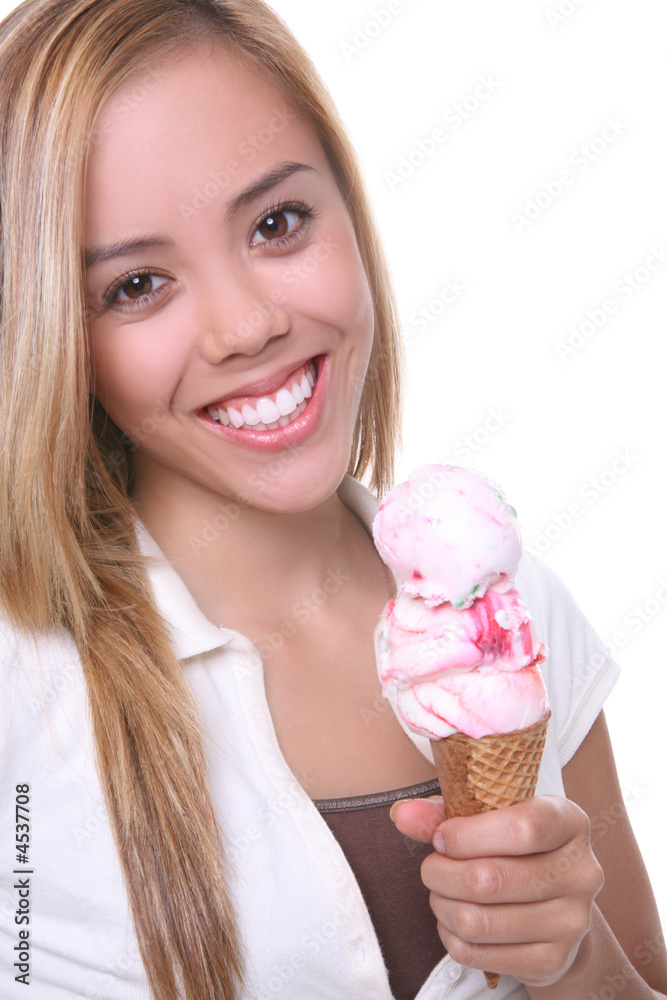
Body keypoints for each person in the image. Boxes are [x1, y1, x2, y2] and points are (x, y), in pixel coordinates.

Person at [0, 1, 664, 998]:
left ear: (348, 208)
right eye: (138, 284)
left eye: (276, 223)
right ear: (58, 330)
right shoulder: (24, 685)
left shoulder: (507, 604)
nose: (246, 323)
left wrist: (570, 959)